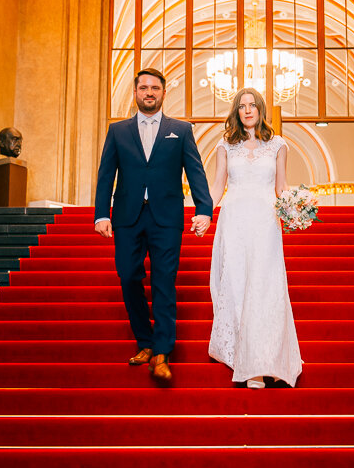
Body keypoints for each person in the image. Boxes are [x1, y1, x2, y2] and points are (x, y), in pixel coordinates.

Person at [94, 68, 213, 382]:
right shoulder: (117, 131)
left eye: (155, 88)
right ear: (135, 92)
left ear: (163, 93)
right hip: (127, 217)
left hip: (166, 218)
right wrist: (101, 214)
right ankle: (144, 341)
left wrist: (205, 208)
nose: (149, 92)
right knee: (128, 275)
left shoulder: (181, 130)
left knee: (164, 282)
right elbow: (106, 174)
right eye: (144, 87)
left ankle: (161, 352)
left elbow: (195, 171)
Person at [207, 88, 302, 388]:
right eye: (242, 107)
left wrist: (297, 206)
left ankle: (268, 358)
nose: (247, 110)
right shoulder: (225, 145)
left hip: (265, 222)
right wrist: (203, 213)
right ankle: (245, 359)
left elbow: (281, 186)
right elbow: (217, 185)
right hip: (233, 220)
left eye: (253, 106)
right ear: (236, 112)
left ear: (261, 110)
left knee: (264, 287)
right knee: (236, 285)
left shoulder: (278, 145)